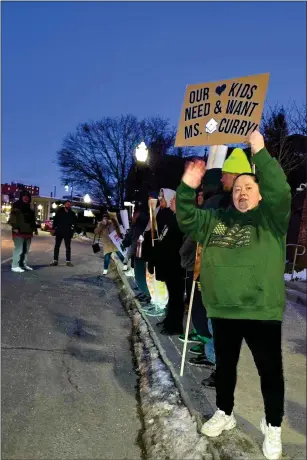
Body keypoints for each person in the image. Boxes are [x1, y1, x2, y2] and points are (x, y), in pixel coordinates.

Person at [176, 131, 291, 460]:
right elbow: (185, 217)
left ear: (259, 194)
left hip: (261, 311)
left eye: (249, 188)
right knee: (225, 368)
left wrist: (260, 150)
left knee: (269, 371)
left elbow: (281, 190)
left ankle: (273, 426)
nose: (242, 193)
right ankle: (224, 413)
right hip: (223, 309)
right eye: (238, 188)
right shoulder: (216, 220)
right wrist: (187, 185)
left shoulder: (272, 220)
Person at [151, 188, 185, 335]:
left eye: (174, 199)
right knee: (172, 296)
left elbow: (176, 243)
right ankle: (168, 320)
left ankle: (175, 326)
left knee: (176, 298)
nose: (171, 201)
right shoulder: (172, 217)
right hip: (167, 264)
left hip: (176, 266)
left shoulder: (181, 221)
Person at [8, 190, 38, 273]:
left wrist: (35, 229)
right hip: (19, 231)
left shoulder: (30, 208)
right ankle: (15, 265)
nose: (26, 198)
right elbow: (13, 217)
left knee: (26, 250)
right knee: (19, 249)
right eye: (24, 196)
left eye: (27, 196)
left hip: (28, 231)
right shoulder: (16, 206)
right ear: (21, 197)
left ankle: (23, 264)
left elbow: (33, 220)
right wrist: (15, 227)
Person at [50, 200, 77, 267]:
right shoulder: (59, 212)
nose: (68, 205)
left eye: (69, 204)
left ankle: (68, 261)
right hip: (59, 231)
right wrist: (53, 229)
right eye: (67, 204)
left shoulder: (72, 214)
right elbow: (55, 221)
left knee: (68, 247)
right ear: (64, 204)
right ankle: (55, 260)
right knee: (57, 246)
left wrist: (73, 231)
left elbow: (75, 223)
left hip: (68, 232)